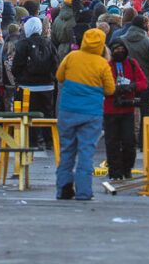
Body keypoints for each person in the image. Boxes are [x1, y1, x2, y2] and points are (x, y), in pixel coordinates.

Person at [54, 27, 115, 200]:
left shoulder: (72, 56)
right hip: (91, 113)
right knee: (86, 152)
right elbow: (110, 90)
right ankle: (84, 191)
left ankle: (63, 189)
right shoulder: (103, 64)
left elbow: (59, 76)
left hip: (67, 111)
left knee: (67, 151)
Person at [11, 16, 59, 145]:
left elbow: (16, 66)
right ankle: (49, 140)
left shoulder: (22, 44)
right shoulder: (49, 43)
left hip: (28, 85)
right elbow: (55, 63)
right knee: (47, 113)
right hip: (47, 86)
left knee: (30, 113)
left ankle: (32, 140)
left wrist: (19, 78)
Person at [104, 38, 147, 180]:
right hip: (111, 109)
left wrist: (132, 87)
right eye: (116, 49)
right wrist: (114, 91)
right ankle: (115, 171)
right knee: (112, 143)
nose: (119, 52)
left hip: (128, 110)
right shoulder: (106, 65)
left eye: (121, 49)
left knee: (129, 142)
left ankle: (127, 168)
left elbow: (143, 82)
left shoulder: (131, 63)